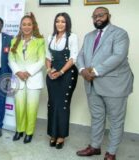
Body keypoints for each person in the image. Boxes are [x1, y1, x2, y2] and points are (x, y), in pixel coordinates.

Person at [76, 7, 133, 160]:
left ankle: (111, 152)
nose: (97, 19)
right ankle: (95, 147)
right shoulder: (89, 36)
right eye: (94, 16)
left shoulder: (120, 33)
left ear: (109, 16)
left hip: (115, 85)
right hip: (92, 84)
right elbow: (80, 55)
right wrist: (82, 70)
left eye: (101, 15)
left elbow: (118, 56)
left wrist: (93, 71)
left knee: (115, 120)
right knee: (96, 117)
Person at [8, 13, 45, 144]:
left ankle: (29, 132)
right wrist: (18, 72)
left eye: (29, 24)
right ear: (20, 26)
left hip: (33, 79)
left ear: (33, 26)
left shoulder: (40, 41)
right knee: (19, 107)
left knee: (31, 107)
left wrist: (27, 72)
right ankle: (19, 130)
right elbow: (11, 60)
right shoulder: (14, 41)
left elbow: (41, 61)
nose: (27, 27)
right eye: (24, 24)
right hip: (18, 79)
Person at [45, 12, 78, 149]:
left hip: (67, 74)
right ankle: (53, 133)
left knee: (62, 105)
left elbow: (73, 58)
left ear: (67, 23)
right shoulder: (50, 37)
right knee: (52, 104)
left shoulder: (72, 37)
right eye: (57, 21)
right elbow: (47, 57)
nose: (60, 24)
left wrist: (61, 72)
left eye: (63, 21)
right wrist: (49, 70)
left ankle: (61, 136)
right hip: (52, 74)